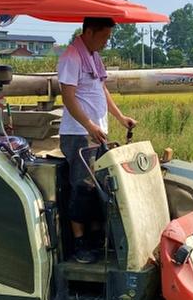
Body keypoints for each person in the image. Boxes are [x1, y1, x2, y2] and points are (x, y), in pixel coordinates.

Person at [58, 17, 137, 264]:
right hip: (78, 134)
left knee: (98, 187)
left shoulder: (93, 56)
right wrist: (89, 125)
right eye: (104, 37)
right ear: (90, 32)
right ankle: (79, 244)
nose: (106, 42)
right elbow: (68, 98)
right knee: (82, 186)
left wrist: (120, 117)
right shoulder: (72, 57)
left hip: (95, 132)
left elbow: (101, 90)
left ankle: (95, 237)